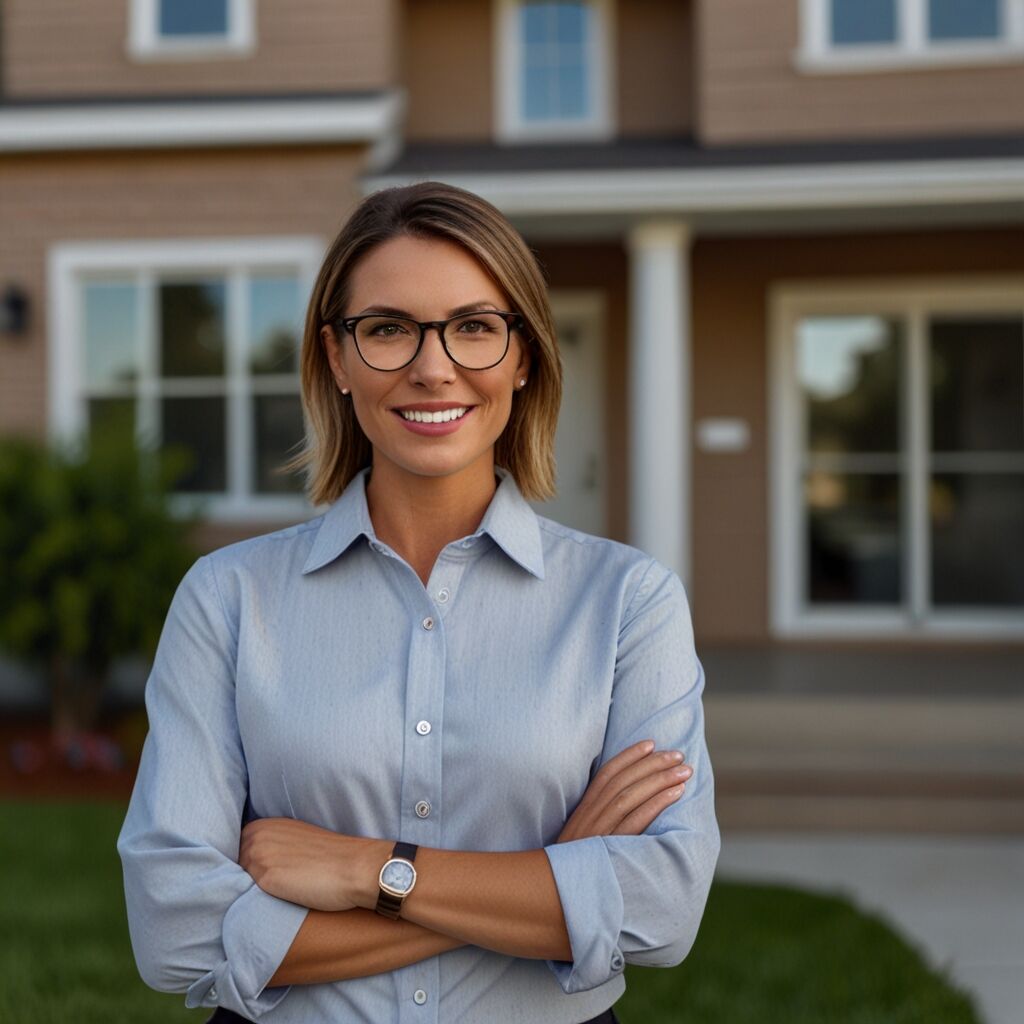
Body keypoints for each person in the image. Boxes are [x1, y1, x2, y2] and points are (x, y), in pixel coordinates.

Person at [117, 181, 720, 1023]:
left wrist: (368, 870)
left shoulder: (629, 602)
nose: (433, 366)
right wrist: (551, 877)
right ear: (336, 357)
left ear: (522, 356)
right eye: (389, 329)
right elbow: (176, 931)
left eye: (474, 327)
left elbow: (661, 907)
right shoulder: (226, 600)